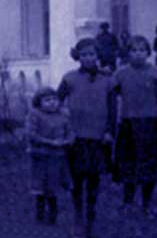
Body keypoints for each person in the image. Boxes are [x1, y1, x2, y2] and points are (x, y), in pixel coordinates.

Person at [57, 38, 115, 238]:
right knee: (76, 178)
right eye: (84, 55)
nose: (88, 58)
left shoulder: (108, 80)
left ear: (98, 56)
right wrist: (63, 121)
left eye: (92, 54)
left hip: (98, 137)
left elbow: (113, 109)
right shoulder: (69, 78)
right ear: (78, 57)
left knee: (93, 178)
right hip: (76, 137)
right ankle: (78, 216)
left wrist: (109, 131)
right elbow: (56, 101)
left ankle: (91, 216)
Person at [112, 35, 157, 214]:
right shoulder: (120, 74)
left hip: (150, 124)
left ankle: (147, 202)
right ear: (128, 53)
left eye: (142, 50)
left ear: (148, 52)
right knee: (128, 163)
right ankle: (127, 201)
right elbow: (110, 92)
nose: (138, 54)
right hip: (128, 123)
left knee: (148, 164)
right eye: (134, 50)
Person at [25, 86, 73, 225]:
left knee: (53, 186)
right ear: (39, 102)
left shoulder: (63, 116)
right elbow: (31, 134)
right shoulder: (34, 115)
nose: (52, 103)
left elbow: (70, 132)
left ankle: (53, 215)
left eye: (54, 99)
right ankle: (39, 215)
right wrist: (49, 142)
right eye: (47, 100)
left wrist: (67, 141)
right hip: (40, 156)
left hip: (57, 156)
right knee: (40, 186)